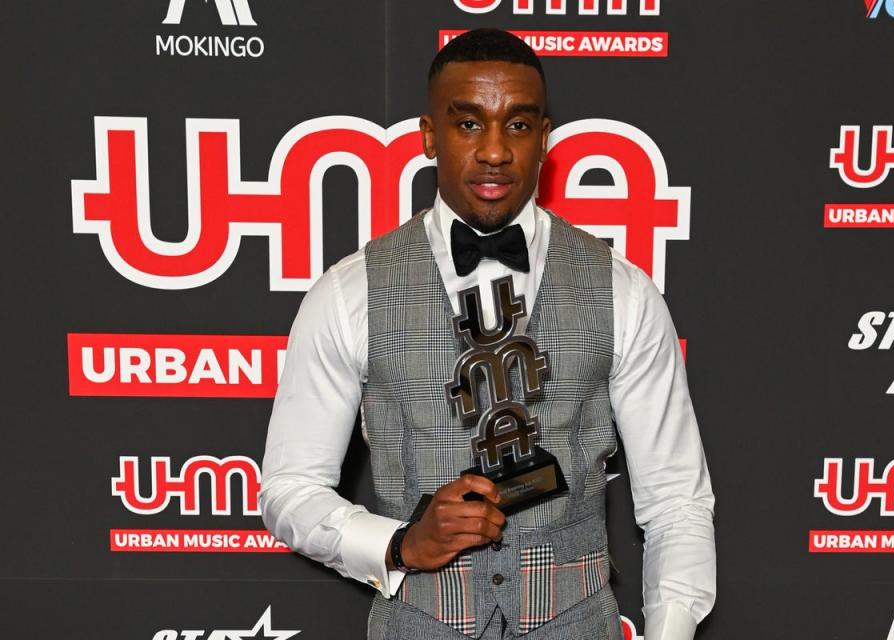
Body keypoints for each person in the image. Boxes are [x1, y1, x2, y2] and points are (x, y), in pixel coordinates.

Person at [260, 28, 715, 640]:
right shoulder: (350, 294)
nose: (496, 151)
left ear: (545, 139)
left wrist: (669, 630)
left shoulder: (624, 293)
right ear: (428, 136)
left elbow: (677, 502)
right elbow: (289, 489)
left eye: (519, 125)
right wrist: (397, 543)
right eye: (469, 124)